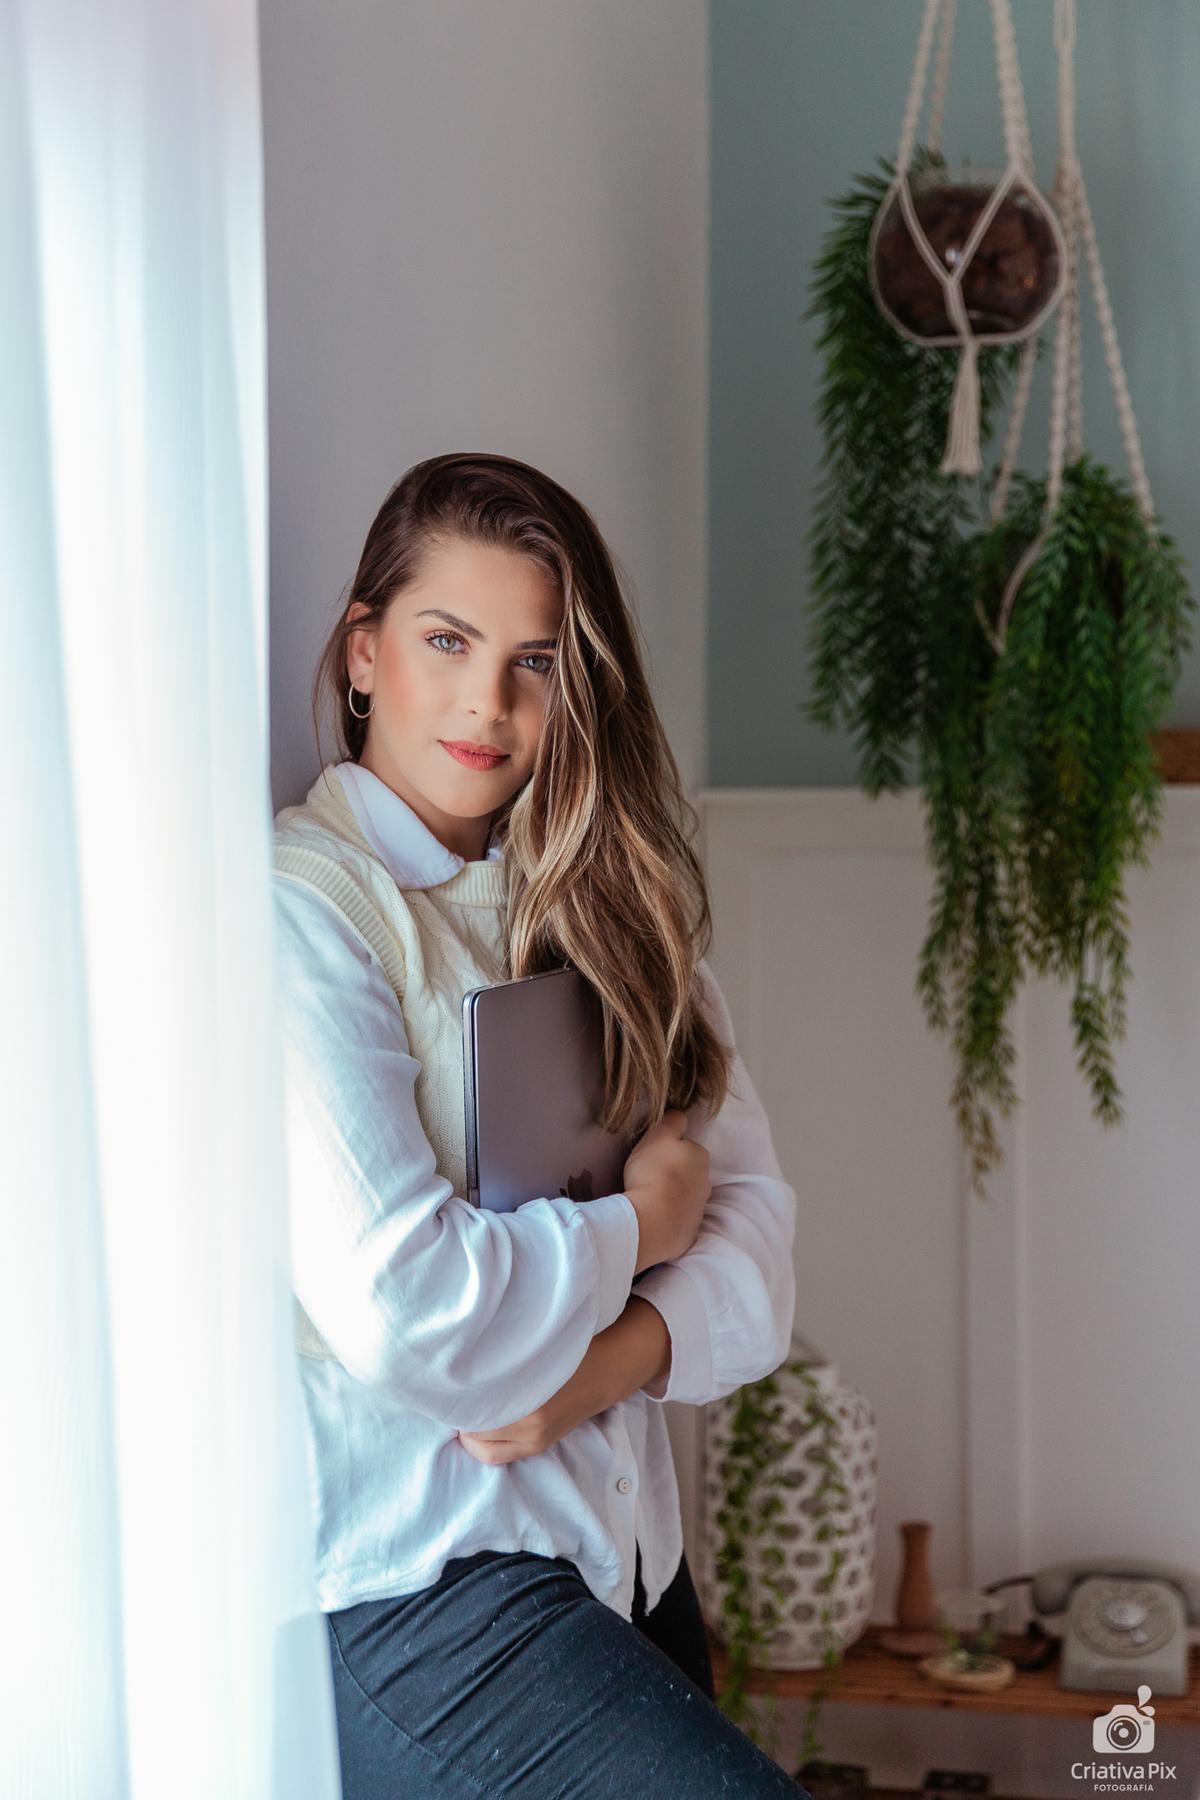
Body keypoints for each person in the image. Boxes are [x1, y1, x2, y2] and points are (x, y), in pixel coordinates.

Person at [274, 453, 800, 1797]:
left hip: (628, 1566)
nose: (489, 704)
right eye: (448, 641)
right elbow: (405, 1308)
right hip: (424, 1586)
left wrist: (597, 1372)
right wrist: (643, 1226)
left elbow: (759, 1253)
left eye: (538, 662)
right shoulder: (307, 911)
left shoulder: (616, 909)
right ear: (364, 652)